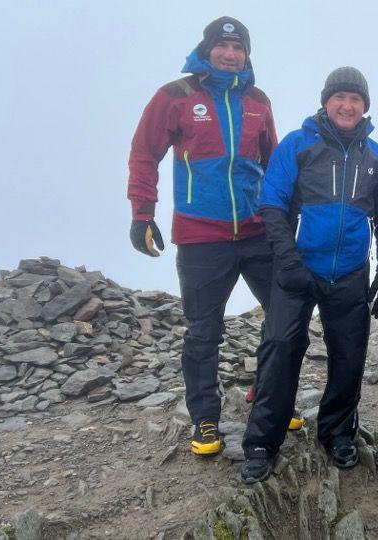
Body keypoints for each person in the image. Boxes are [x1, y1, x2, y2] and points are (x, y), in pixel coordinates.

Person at [127, 16, 302, 456]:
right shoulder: (177, 96)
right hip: (201, 235)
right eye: (222, 47)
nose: (230, 54)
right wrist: (142, 213)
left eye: (238, 48)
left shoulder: (258, 101)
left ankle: (268, 394)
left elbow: (275, 164)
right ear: (207, 51)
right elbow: (144, 153)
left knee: (284, 317)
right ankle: (205, 418)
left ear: (246, 54)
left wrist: (285, 220)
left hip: (258, 231)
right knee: (204, 331)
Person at [241, 67, 378, 483]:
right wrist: (288, 262)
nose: (347, 105)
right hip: (298, 268)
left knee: (349, 356)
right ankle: (261, 442)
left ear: (365, 106)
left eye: (355, 99)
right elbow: (272, 204)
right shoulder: (297, 145)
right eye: (339, 97)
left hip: (349, 272)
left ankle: (336, 434)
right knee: (280, 346)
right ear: (326, 101)